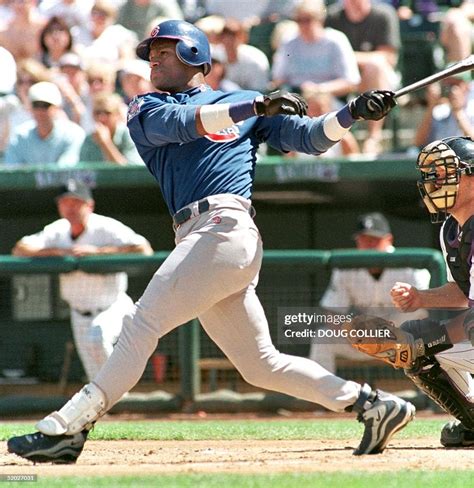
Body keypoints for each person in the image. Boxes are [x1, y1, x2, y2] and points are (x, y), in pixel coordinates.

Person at [7, 19, 413, 464]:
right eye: (152, 52)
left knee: (141, 324)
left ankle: (68, 427)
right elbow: (185, 124)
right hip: (201, 235)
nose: (154, 59)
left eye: (165, 50)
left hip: (225, 227)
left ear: (195, 55)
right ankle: (372, 404)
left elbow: (310, 138)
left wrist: (353, 112)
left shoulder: (242, 104)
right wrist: (257, 103)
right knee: (260, 364)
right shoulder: (145, 106)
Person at [11, 180, 153, 381]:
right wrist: (60, 252)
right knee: (95, 375)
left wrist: (99, 253)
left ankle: (121, 395)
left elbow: (144, 249)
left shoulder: (105, 227)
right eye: (65, 202)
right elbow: (20, 249)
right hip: (77, 312)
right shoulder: (57, 230)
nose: (70, 207)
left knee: (97, 338)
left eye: (76, 202)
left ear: (89, 205)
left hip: (111, 306)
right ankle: (114, 404)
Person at [388, 136, 474, 447]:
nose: (434, 181)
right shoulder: (452, 228)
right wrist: (421, 298)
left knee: (422, 342)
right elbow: (464, 292)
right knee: (418, 339)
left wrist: (425, 340)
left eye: (444, 172)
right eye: (431, 174)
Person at [309, 212, 430, 373]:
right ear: (357, 242)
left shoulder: (410, 265)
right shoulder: (346, 267)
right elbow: (332, 311)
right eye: (364, 240)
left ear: (389, 240)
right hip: (365, 338)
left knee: (428, 332)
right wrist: (352, 330)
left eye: (375, 239)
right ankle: (324, 396)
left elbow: (425, 308)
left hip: (403, 336)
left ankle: (432, 394)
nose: (369, 245)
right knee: (322, 337)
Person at [325, 0, 401, 154]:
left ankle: (373, 137)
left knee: (375, 66)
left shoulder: (383, 14)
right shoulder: (333, 16)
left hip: (380, 79)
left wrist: (349, 57)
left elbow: (388, 58)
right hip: (343, 78)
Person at [271, 0, 360, 99]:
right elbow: (278, 78)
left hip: (329, 98)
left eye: (308, 20)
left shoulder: (336, 40)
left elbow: (351, 82)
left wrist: (319, 90)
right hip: (296, 97)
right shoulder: (289, 42)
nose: (303, 25)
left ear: (320, 19)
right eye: (299, 20)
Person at [4, 81, 85, 166]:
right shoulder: (19, 136)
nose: (40, 111)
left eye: (45, 105)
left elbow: (66, 170)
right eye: (36, 105)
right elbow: (12, 170)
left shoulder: (73, 134)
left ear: (57, 107)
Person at [79, 92, 144, 165]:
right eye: (97, 113)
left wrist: (106, 143)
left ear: (117, 115)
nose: (101, 118)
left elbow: (129, 172)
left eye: (107, 113)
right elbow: (84, 171)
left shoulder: (130, 136)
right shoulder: (89, 140)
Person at [413, 71, 474, 148]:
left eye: (456, 84)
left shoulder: (471, 109)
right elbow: (418, 142)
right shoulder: (440, 111)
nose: (452, 90)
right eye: (449, 85)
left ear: (467, 86)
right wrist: (431, 106)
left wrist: (458, 112)